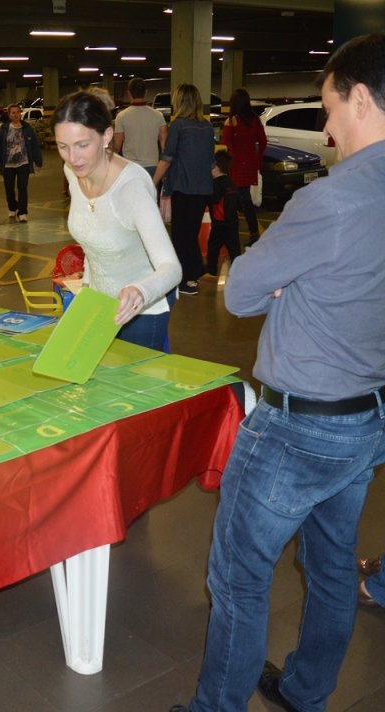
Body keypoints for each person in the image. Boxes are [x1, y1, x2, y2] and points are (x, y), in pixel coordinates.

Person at [170, 32, 385, 712]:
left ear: (357, 97)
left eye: (327, 108)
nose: (325, 127)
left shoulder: (332, 200)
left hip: (297, 428)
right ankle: (304, 691)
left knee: (238, 576)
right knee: (328, 570)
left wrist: (282, 281)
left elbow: (236, 293)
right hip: (365, 420)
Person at [52, 90, 181, 351]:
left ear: (107, 136)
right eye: (63, 146)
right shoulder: (72, 171)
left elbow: (172, 268)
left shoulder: (131, 187)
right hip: (97, 301)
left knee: (133, 387)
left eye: (82, 145)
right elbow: (92, 235)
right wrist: (87, 286)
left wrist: (140, 291)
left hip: (142, 309)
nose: (73, 158)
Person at [152, 83, 215, 296]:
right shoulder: (207, 127)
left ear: (179, 102)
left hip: (183, 188)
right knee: (190, 233)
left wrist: (152, 182)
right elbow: (210, 161)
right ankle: (193, 271)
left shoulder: (178, 125)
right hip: (203, 189)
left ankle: (187, 278)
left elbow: (167, 158)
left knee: (181, 235)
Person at [221, 88, 268, 246]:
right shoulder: (255, 120)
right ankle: (254, 232)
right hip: (249, 165)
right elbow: (263, 142)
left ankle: (233, 234)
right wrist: (258, 159)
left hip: (235, 165)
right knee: (244, 198)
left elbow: (224, 145)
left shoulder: (232, 121)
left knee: (234, 199)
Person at [0, 104, 43, 223]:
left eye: (18, 112)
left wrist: (38, 162)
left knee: (22, 187)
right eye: (13, 113)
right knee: (9, 188)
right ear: (9, 115)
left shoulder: (27, 128)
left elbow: (34, 145)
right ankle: (12, 207)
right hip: (8, 164)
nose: (16, 114)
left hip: (23, 163)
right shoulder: (3, 129)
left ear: (21, 113)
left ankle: (23, 212)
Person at [113, 77, 168, 176]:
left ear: (129, 93)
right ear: (145, 93)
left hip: (130, 166)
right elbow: (164, 146)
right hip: (152, 166)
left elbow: (117, 147)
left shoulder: (121, 116)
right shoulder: (158, 115)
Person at [206, 150, 241, 277]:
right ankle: (239, 271)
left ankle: (211, 269)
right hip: (232, 221)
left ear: (216, 168)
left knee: (213, 247)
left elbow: (214, 199)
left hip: (220, 222)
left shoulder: (216, 183)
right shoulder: (230, 182)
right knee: (234, 249)